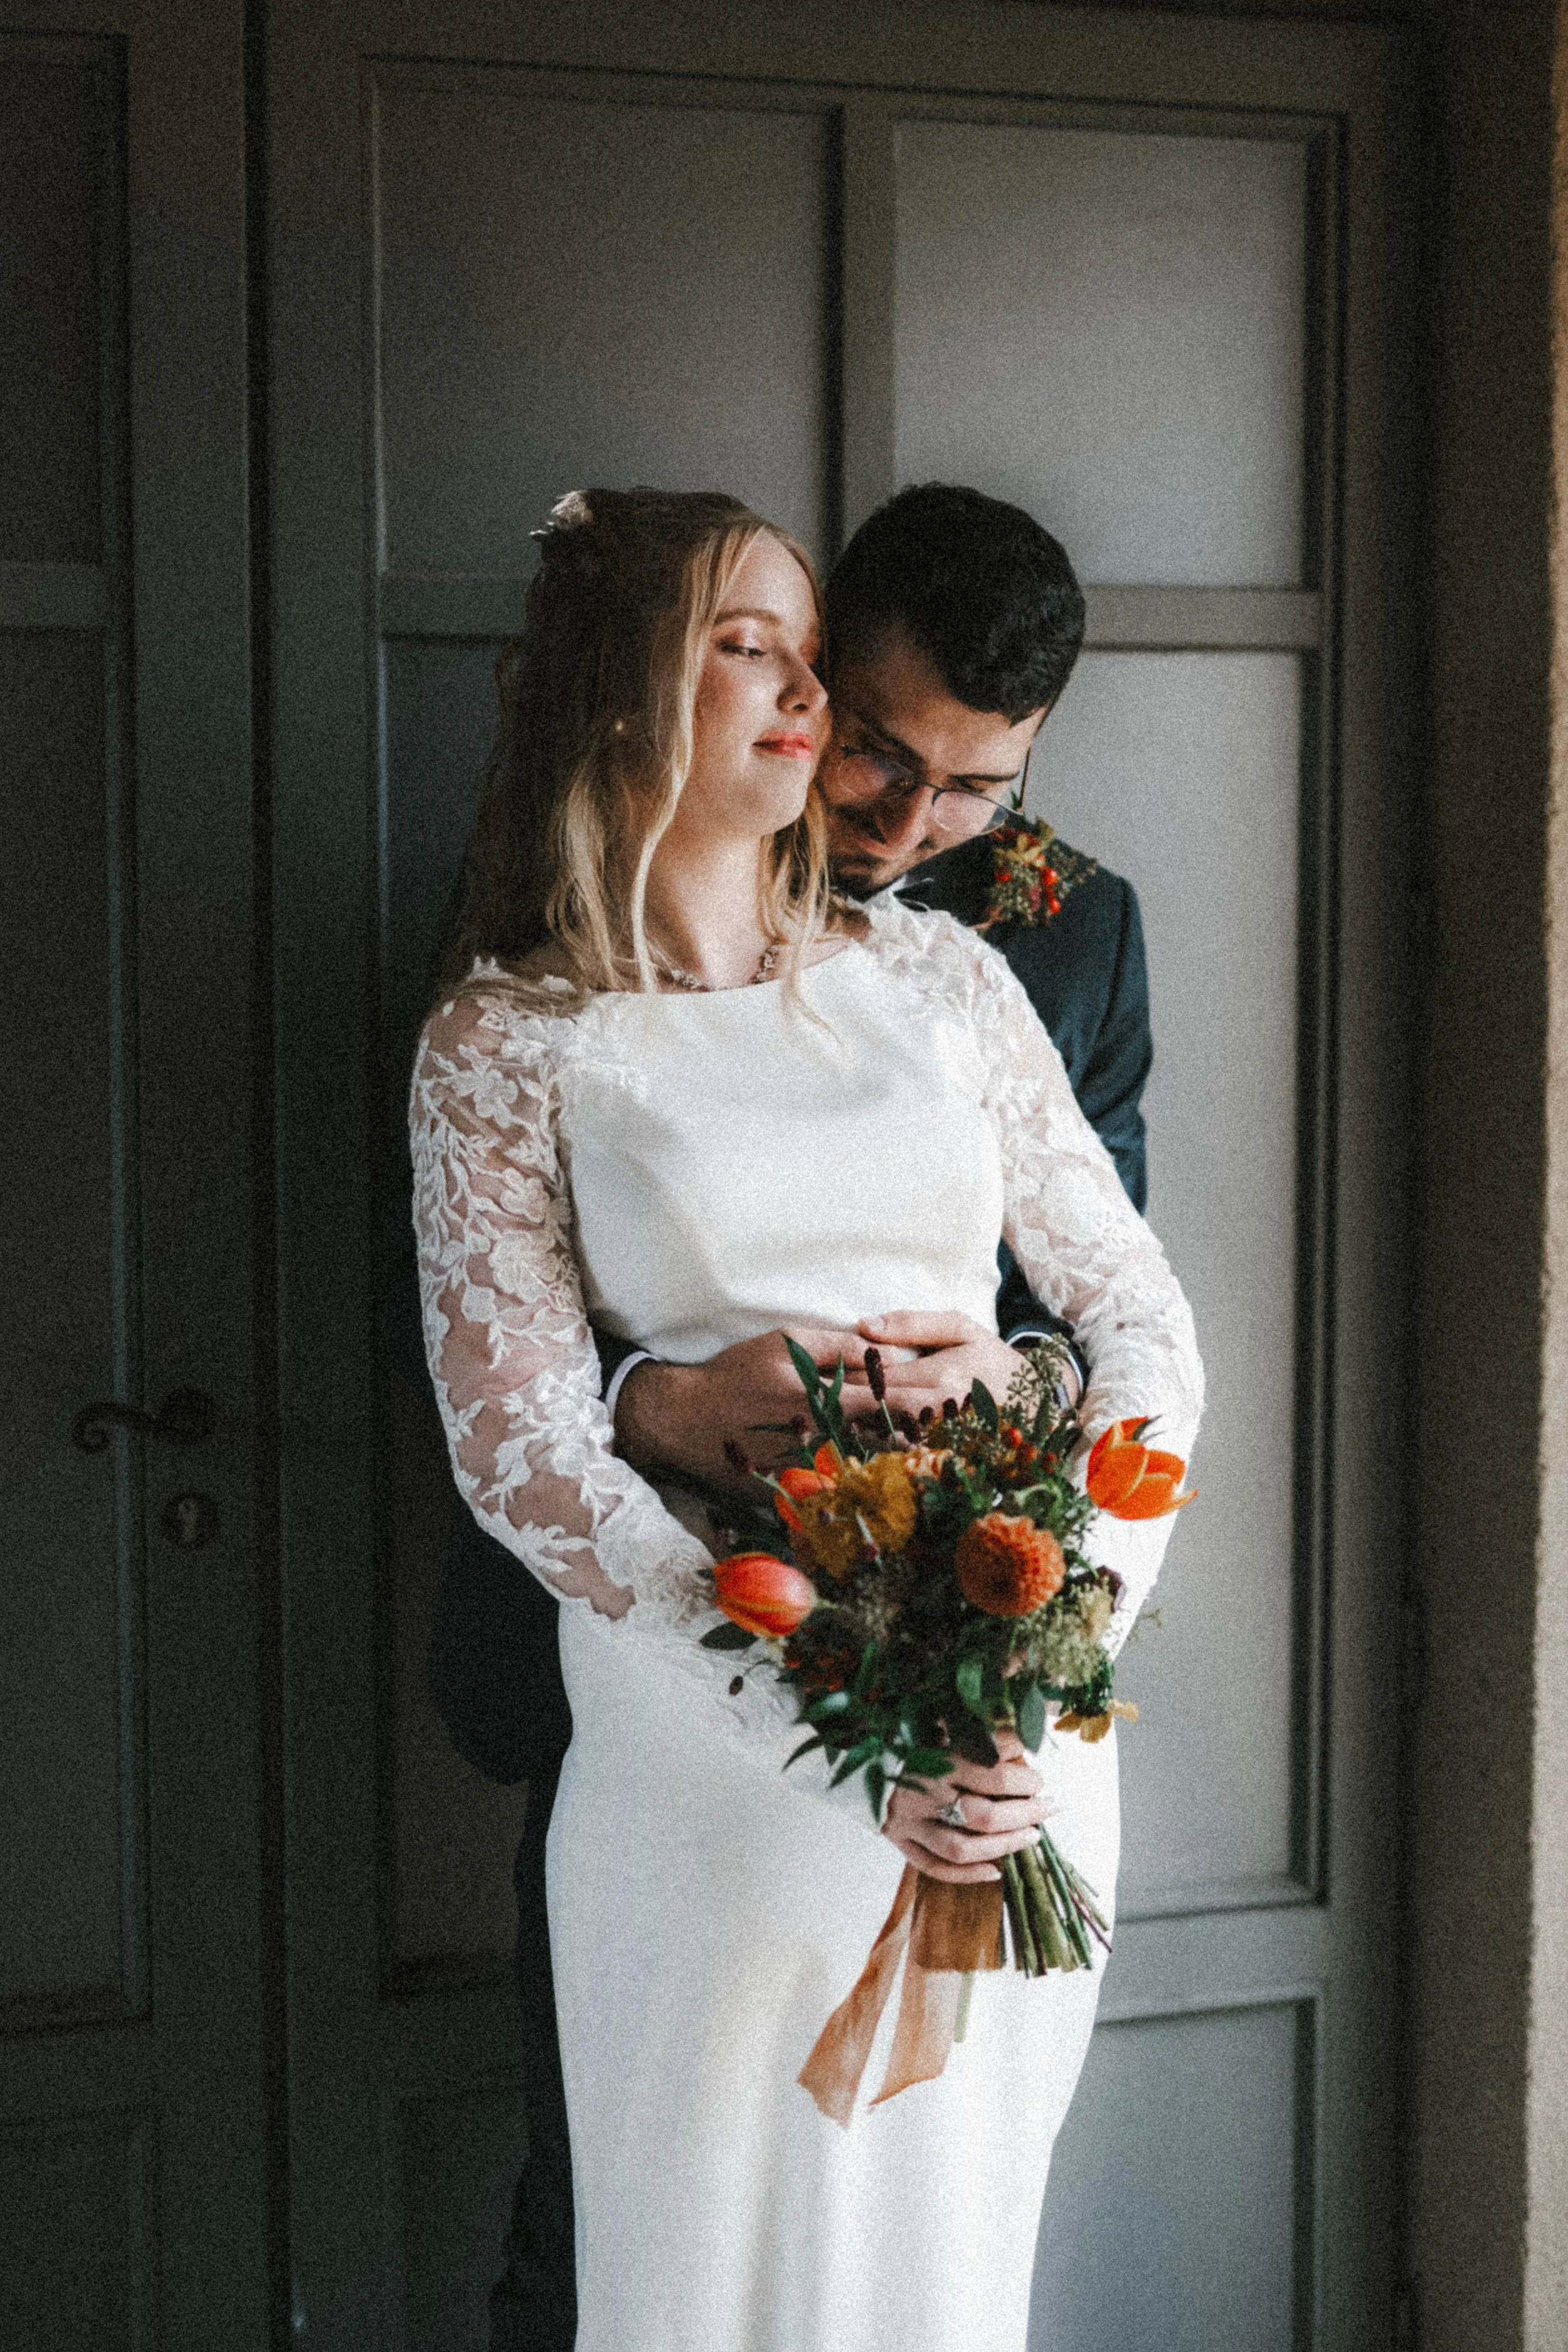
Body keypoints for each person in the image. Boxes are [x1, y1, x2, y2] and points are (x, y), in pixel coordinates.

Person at [411, 487, 1202, 2352]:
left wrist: (1041, 1640)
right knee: (681, 2270)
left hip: (1003, 1756)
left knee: (945, 2276)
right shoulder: (506, 1035)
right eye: (753, 653)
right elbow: (513, 1435)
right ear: (623, 695)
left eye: (799, 655)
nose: (800, 703)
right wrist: (831, 1685)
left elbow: (1132, 1322)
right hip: (705, 1745)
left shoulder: (949, 974)